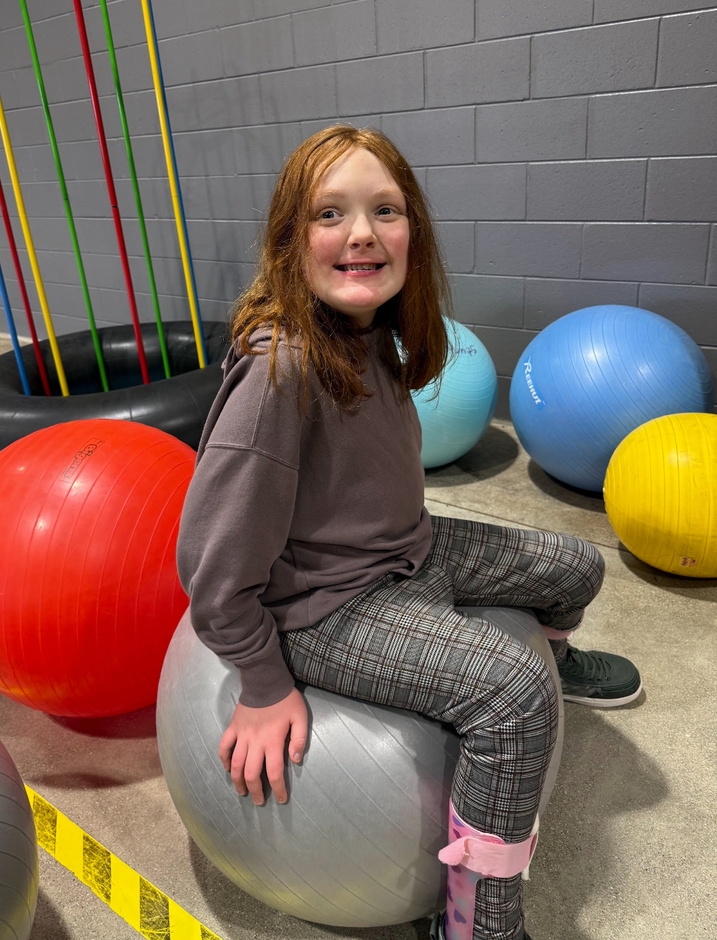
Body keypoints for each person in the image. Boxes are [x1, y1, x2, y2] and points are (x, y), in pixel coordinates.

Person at [176, 125, 642, 940]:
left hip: (405, 551)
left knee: (573, 563)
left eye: (383, 211)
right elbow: (211, 569)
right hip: (324, 608)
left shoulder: (373, 334)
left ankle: (559, 668)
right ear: (291, 242)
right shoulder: (279, 372)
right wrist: (259, 680)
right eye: (330, 214)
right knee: (508, 687)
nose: (360, 232)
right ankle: (473, 921)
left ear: (411, 234)